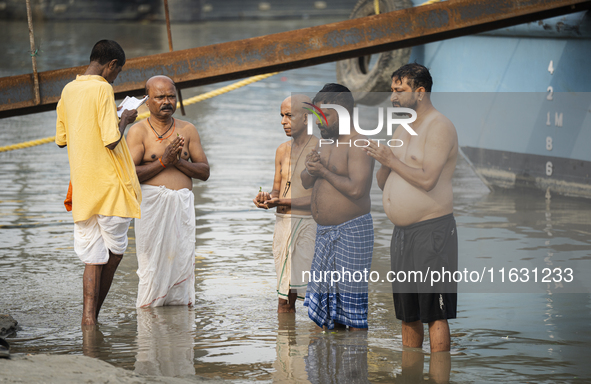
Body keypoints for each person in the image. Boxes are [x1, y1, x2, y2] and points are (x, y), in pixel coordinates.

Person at [364, 63, 458, 353]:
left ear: (419, 92)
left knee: (435, 314)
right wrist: (382, 159)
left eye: (399, 90)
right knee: (408, 315)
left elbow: (428, 180)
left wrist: (391, 161)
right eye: (392, 90)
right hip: (402, 234)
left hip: (432, 231)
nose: (393, 97)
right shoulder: (402, 127)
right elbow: (384, 182)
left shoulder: (439, 125)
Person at [55, 40, 141, 326]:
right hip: (109, 185)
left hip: (82, 186)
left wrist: (109, 113)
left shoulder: (69, 90)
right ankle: (95, 317)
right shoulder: (104, 88)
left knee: (92, 256)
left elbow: (62, 139)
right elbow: (111, 140)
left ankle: (87, 321)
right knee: (114, 254)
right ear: (111, 65)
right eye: (118, 72)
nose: (117, 78)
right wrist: (125, 118)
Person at [127, 75, 209, 308]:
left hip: (182, 209)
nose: (166, 101)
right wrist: (162, 162)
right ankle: (149, 321)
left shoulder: (188, 129)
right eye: (160, 97)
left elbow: (204, 172)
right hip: (152, 209)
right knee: (151, 265)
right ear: (147, 100)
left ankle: (179, 327)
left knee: (181, 263)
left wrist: (177, 162)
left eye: (171, 96)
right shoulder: (138, 132)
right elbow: (129, 176)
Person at [301, 83, 375, 331]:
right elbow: (304, 180)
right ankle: (330, 364)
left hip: (351, 233)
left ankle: (353, 364)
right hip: (324, 234)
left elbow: (357, 190)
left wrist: (322, 170)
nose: (319, 122)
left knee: (352, 312)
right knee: (326, 313)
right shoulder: (324, 143)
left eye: (325, 116)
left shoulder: (359, 143)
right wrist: (312, 169)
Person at [253, 95, 319, 313]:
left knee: (313, 298)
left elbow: (321, 198)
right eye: (282, 116)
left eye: (289, 115)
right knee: (284, 298)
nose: (283, 121)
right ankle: (285, 345)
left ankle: (316, 344)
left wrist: (281, 201)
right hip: (282, 225)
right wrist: (267, 198)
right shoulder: (282, 150)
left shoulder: (321, 148)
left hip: (308, 224)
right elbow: (276, 189)